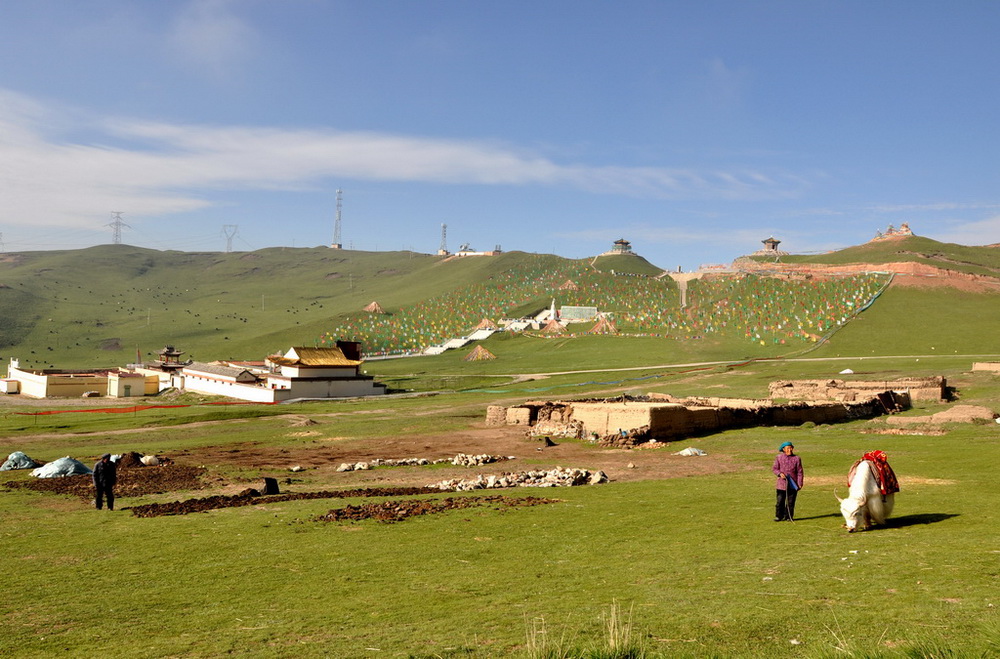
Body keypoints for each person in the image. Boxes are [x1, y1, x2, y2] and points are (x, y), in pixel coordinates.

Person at [772, 441, 803, 521]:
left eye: (791, 448)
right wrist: (779, 474)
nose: (790, 450)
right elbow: (775, 468)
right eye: (788, 448)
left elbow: (800, 472)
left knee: (791, 502)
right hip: (781, 484)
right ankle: (779, 516)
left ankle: (789, 516)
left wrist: (800, 483)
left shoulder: (797, 459)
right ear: (784, 449)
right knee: (780, 501)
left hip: (793, 484)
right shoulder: (779, 457)